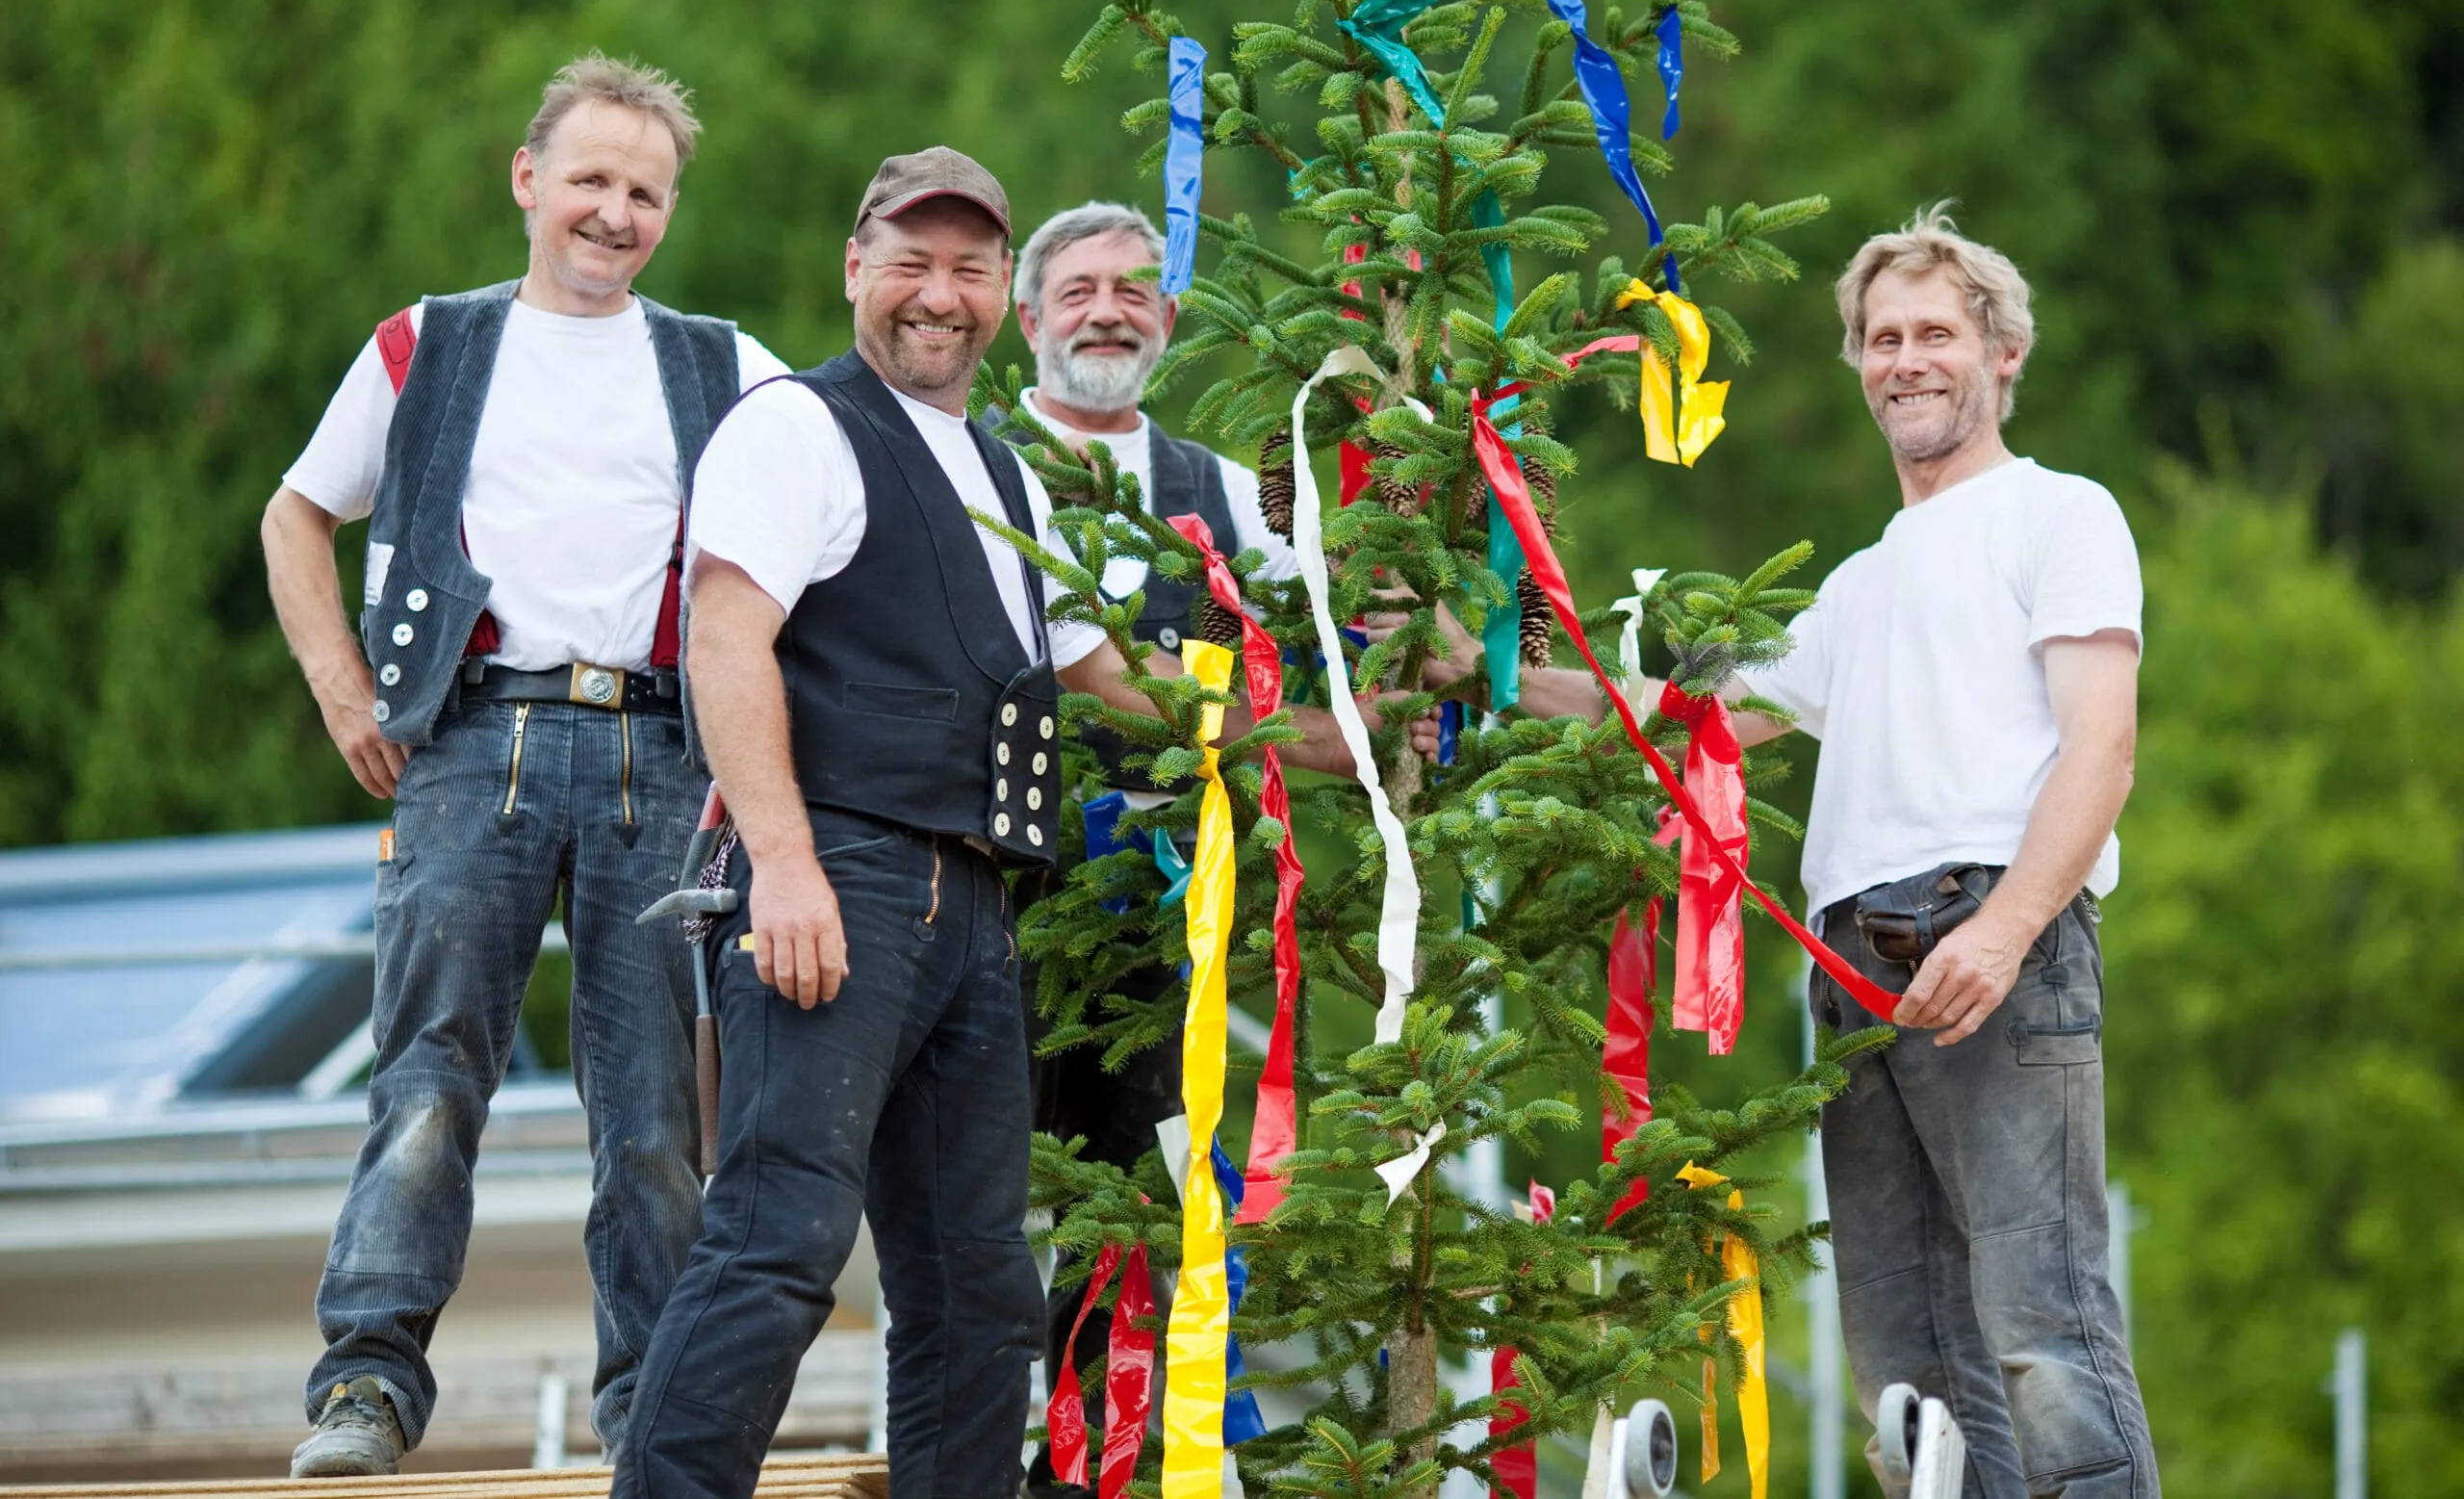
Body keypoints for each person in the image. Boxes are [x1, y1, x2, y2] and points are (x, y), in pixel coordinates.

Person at [613, 149, 1349, 1499]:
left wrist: (1337, 739)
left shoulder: (1011, 479)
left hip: (980, 910)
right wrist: (780, 863)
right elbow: (725, 641)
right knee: (779, 1238)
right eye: (910, 259)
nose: (937, 294)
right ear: (854, 269)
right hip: (835, 879)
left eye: (966, 267)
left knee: (978, 1287)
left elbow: (1119, 680)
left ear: (998, 295)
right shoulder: (798, 426)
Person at [1397, 206, 2157, 1497]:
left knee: (2044, 1328)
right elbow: (1675, 712)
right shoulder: (1856, 585)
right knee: (1909, 1362)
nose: (1905, 357)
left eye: (1935, 333)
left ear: (2004, 352)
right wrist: (1482, 659)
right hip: (1851, 974)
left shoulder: (2061, 515)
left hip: (1996, 945)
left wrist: (2008, 924)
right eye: (1881, 336)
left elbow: (2104, 747)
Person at [263, 55, 794, 1477]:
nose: (613, 212)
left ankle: (659, 1412)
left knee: (658, 1115)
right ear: (527, 179)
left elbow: (828, 513)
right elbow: (295, 514)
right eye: (591, 180)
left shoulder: (727, 363)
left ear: (668, 212)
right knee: (429, 1078)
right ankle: (366, 1386)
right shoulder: (422, 344)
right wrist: (340, 685)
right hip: (468, 739)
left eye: (643, 191)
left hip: (665, 752)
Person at [993, 201, 1299, 1499]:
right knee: (959, 1188)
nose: (1106, 309)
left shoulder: (1226, 491)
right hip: (987, 887)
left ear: (1168, 321)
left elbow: (1322, 655)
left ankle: (1088, 1471)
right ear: (1026, 319)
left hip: (1162, 909)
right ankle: (962, 1445)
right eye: (1075, 291)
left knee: (1129, 1201)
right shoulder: (973, 460)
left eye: (1133, 289)